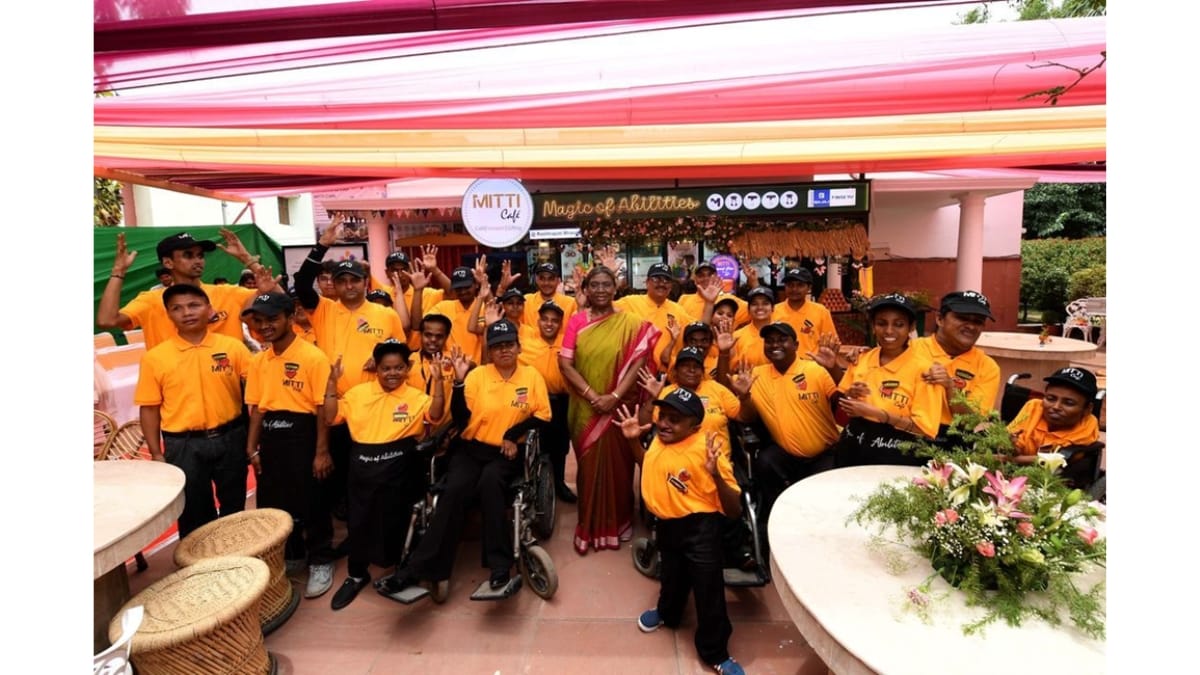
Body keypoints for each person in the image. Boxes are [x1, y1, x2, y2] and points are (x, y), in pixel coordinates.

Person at [386, 320, 550, 593]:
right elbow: (462, 420)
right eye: (497, 347)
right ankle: (417, 569)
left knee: (491, 484)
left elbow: (542, 417)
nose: (504, 351)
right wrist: (460, 383)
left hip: (507, 452)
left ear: (519, 347)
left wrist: (512, 434)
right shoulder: (478, 376)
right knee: (452, 491)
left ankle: (499, 565)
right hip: (473, 448)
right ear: (489, 351)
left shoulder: (531, 376)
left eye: (509, 344)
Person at [614, 390, 747, 675]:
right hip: (667, 525)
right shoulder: (661, 441)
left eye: (675, 420)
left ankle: (717, 653)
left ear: (695, 426)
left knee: (708, 590)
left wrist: (714, 474)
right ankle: (668, 612)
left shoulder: (707, 450)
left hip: (700, 529)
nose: (664, 424)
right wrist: (633, 442)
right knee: (671, 576)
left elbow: (734, 510)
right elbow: (647, 464)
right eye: (663, 417)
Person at [292, 217, 408, 538]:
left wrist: (382, 354)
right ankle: (350, 533)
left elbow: (402, 350)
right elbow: (302, 284)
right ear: (335, 285)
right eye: (342, 281)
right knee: (337, 474)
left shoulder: (384, 314)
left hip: (374, 409)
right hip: (335, 408)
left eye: (355, 281)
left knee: (370, 475)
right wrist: (323, 245)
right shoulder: (324, 310)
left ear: (365, 284)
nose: (349, 286)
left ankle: (372, 528)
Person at [324, 340, 447, 609]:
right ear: (376, 369)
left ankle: (403, 568)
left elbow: (435, 416)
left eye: (398, 368)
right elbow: (331, 417)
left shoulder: (415, 397)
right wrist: (331, 385)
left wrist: (438, 383)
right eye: (386, 368)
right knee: (360, 521)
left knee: (402, 519)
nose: (392, 373)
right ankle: (357, 575)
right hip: (363, 467)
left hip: (402, 467)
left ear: (407, 368)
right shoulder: (357, 394)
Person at [133, 283, 251, 539]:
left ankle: (237, 566)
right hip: (183, 445)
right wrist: (156, 453)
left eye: (194, 305)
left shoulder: (233, 347)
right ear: (168, 314)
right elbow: (150, 408)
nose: (187, 312)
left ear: (209, 309)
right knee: (194, 513)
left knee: (234, 508)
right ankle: (199, 571)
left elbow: (257, 388)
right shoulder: (156, 358)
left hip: (231, 437)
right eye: (177, 308)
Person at [241, 292, 337, 599]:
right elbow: (257, 408)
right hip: (271, 435)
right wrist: (252, 447)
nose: (265, 326)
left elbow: (323, 409)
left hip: (304, 432)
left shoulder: (312, 357)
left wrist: (322, 452)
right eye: (259, 321)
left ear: (290, 317)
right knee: (276, 502)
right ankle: (294, 555)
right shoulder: (259, 361)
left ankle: (321, 560)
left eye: (272, 319)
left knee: (313, 500)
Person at [727, 321, 842, 546]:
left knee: (823, 507)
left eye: (782, 340)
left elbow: (844, 403)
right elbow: (747, 416)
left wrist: (834, 369)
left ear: (796, 344)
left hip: (823, 453)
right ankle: (771, 529)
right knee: (764, 463)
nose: (775, 345)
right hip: (785, 454)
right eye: (769, 341)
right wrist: (744, 396)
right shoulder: (756, 375)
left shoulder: (815, 370)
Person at [97, 229, 276, 349]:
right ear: (168, 262)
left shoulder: (227, 293)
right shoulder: (151, 300)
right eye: (188, 255)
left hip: (228, 390)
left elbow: (279, 300)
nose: (198, 260)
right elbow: (107, 321)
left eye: (200, 255)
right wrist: (118, 272)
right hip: (177, 393)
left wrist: (247, 259)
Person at [833, 293, 942, 467]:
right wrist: (848, 395)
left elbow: (925, 430)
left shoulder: (926, 371)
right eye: (882, 323)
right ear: (873, 326)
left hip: (896, 457)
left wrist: (879, 414)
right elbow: (840, 411)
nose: (889, 331)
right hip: (853, 448)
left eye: (899, 324)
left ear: (911, 327)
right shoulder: (861, 358)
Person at [911, 291, 1001, 434]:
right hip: (905, 431)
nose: (971, 326)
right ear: (940, 319)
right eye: (962, 318)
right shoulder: (910, 349)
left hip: (953, 440)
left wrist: (950, 388)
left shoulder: (987, 367)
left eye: (977, 321)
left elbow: (971, 421)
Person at [518, 301, 576, 502]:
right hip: (534, 404)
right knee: (535, 446)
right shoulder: (525, 341)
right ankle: (534, 487)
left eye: (555, 320)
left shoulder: (567, 341)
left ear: (560, 323)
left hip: (561, 402)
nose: (549, 324)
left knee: (560, 447)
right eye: (545, 319)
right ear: (538, 320)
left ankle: (559, 484)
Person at [614, 262, 711, 372]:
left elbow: (702, 330)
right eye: (656, 279)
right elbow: (603, 309)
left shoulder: (677, 310)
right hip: (634, 374)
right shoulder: (630, 302)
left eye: (666, 280)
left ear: (670, 286)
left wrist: (709, 302)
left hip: (667, 376)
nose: (662, 283)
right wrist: (611, 273)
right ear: (647, 282)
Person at [1005, 367, 1100, 464]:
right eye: (1050, 398)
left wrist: (1008, 459)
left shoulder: (1087, 426)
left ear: (1087, 409)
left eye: (1069, 403)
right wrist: (1011, 445)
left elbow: (1059, 460)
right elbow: (1013, 444)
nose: (1056, 407)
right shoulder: (1033, 407)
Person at [423, 265, 485, 364]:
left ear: (476, 285)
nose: (463, 291)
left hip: (478, 370)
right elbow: (418, 324)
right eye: (459, 288)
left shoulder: (485, 307)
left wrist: (484, 283)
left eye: (467, 287)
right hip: (450, 368)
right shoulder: (443, 307)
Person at [771, 267, 837, 357]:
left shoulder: (821, 311)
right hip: (781, 363)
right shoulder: (773, 311)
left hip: (811, 365)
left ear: (809, 287)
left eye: (800, 285)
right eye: (790, 285)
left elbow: (832, 343)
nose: (794, 289)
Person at [677, 261, 749, 328]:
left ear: (716, 277)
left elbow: (757, 310)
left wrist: (754, 283)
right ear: (695, 280)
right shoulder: (684, 299)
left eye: (710, 275)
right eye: (701, 275)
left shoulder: (729, 300)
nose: (706, 278)